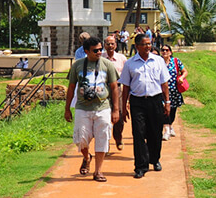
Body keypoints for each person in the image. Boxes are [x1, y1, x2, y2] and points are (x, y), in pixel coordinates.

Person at [64, 36, 120, 183]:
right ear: (86, 51)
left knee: (102, 138)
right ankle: (86, 157)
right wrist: (67, 109)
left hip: (102, 107)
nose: (99, 52)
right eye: (96, 50)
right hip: (83, 107)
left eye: (101, 49)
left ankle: (98, 171)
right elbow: (70, 88)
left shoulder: (107, 65)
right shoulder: (77, 66)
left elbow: (114, 88)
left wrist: (116, 109)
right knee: (81, 139)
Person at [119, 34, 170, 178]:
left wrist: (167, 102)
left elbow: (164, 84)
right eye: (145, 44)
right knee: (139, 133)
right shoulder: (130, 64)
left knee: (155, 132)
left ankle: (155, 159)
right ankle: (141, 166)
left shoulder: (158, 61)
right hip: (138, 102)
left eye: (149, 43)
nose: (148, 46)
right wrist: (124, 107)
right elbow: (126, 87)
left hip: (155, 100)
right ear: (137, 46)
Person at [103, 34, 129, 150]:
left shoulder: (122, 58)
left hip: (118, 89)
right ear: (104, 45)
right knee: (103, 117)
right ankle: (105, 143)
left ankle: (118, 138)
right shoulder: (101, 58)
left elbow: (127, 77)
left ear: (116, 45)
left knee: (119, 115)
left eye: (112, 43)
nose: (110, 46)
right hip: (103, 89)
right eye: (108, 44)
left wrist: (126, 97)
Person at [160, 45, 186, 141]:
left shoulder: (175, 61)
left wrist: (181, 78)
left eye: (167, 50)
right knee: (164, 111)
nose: (164, 52)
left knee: (172, 111)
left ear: (170, 52)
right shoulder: (159, 62)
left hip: (174, 91)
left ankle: (170, 126)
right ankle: (166, 129)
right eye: (163, 50)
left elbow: (184, 71)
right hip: (162, 91)